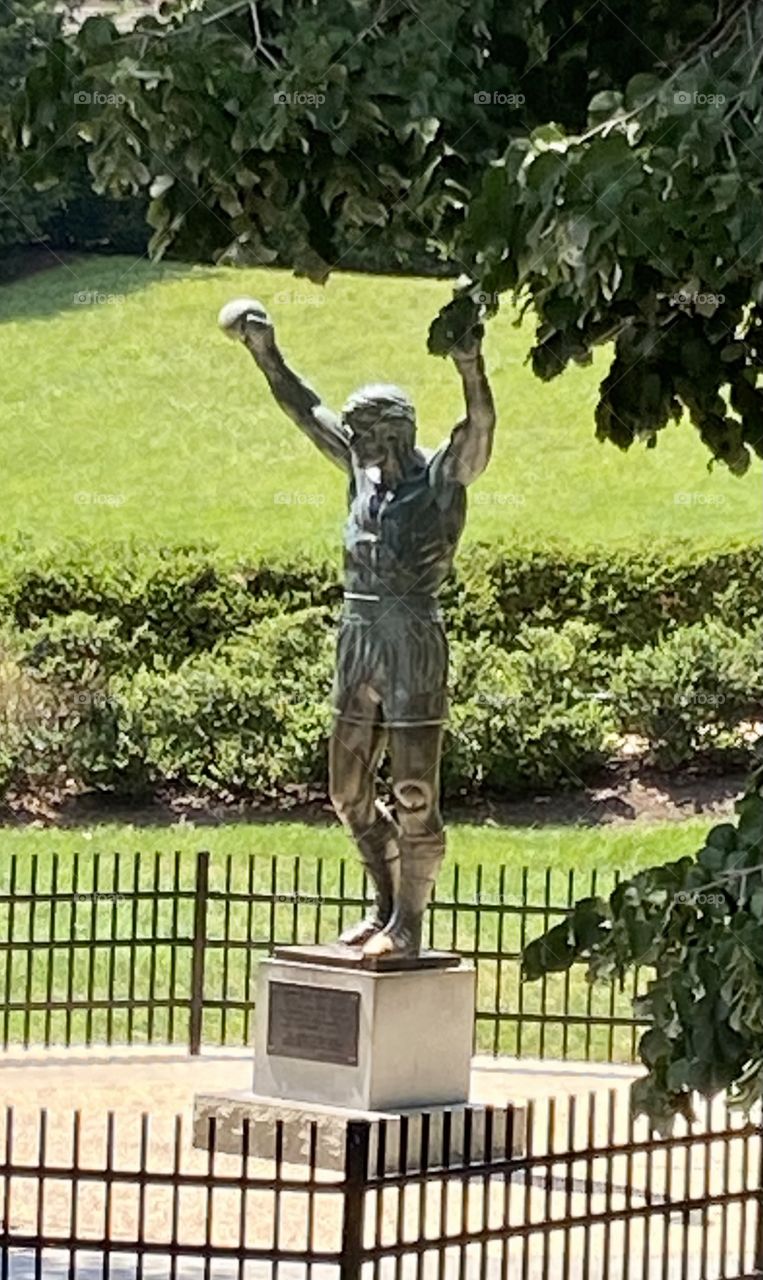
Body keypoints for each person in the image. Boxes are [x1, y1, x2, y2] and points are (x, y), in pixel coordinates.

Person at [219, 296, 496, 959]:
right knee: (345, 790)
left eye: (365, 434)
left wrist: (469, 363)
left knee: (411, 788)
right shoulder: (361, 475)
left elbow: (478, 428)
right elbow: (303, 408)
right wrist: (264, 350)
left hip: (411, 640)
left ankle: (409, 920)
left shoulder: (437, 481)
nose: (354, 444)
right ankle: (381, 902)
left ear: (392, 431)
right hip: (358, 635)